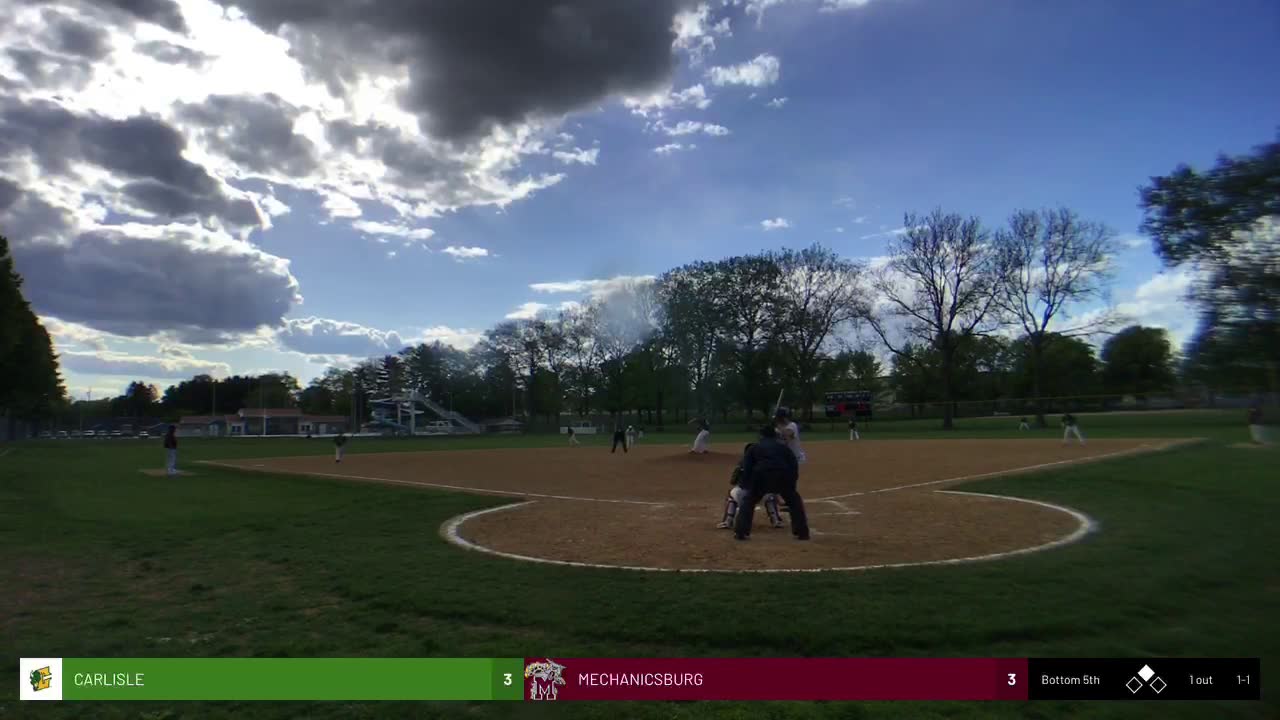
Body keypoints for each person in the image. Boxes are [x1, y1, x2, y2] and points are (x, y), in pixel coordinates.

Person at [733, 425, 809, 540]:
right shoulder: (784, 448)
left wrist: (747, 485)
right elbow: (793, 465)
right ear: (775, 435)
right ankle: (802, 532)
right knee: (794, 501)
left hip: (761, 476)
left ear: (761, 435)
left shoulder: (754, 448)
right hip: (782, 475)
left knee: (748, 501)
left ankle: (741, 532)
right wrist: (791, 485)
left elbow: (747, 467)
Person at [718, 443, 784, 529]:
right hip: (761, 495)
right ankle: (775, 520)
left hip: (743, 495)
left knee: (731, 495)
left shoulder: (742, 463)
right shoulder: (766, 463)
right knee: (770, 495)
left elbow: (733, 481)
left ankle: (728, 521)